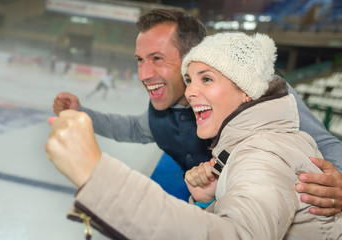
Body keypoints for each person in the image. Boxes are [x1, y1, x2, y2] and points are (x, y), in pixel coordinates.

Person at [45, 32, 342, 239]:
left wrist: (97, 175)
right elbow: (131, 128)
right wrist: (208, 201)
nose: (190, 91)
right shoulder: (238, 135)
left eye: (207, 79)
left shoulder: (261, 153)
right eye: (190, 79)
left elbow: (240, 233)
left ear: (247, 92)